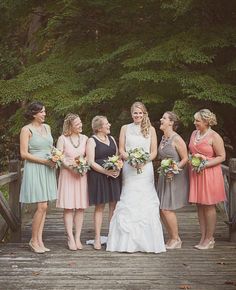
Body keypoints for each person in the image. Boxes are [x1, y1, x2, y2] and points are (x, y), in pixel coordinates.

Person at [106, 102, 166, 253]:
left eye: (140, 113)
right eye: (135, 113)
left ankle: (148, 241)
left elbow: (153, 152)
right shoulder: (125, 128)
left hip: (145, 170)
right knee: (129, 198)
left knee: (146, 199)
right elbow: (121, 149)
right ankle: (125, 241)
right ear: (131, 114)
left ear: (144, 114)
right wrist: (131, 160)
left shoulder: (151, 129)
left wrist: (143, 161)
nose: (137, 116)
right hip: (129, 167)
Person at [19, 101, 57, 253]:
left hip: (48, 169)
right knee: (41, 206)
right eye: (42, 112)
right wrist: (44, 161)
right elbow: (23, 154)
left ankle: (39, 240)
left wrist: (55, 156)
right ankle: (33, 240)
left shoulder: (47, 127)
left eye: (45, 111)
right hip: (35, 168)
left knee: (45, 207)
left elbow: (50, 147)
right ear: (34, 114)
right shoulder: (26, 130)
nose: (44, 114)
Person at [189, 109, 226, 250]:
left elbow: (222, 156)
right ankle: (203, 236)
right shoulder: (194, 134)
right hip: (196, 174)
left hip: (210, 174)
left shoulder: (214, 136)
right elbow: (192, 151)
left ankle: (210, 239)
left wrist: (205, 162)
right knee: (200, 205)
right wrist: (192, 159)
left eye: (197, 121)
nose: (195, 123)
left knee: (209, 205)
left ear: (206, 121)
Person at [86, 116, 121, 250]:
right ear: (99, 128)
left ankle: (112, 236)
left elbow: (117, 157)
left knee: (113, 205)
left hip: (113, 176)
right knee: (100, 207)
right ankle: (97, 238)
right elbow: (91, 162)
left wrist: (117, 168)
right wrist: (105, 172)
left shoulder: (112, 139)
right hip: (99, 176)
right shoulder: (92, 141)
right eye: (107, 124)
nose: (109, 125)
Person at [56, 113, 89, 251]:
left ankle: (77, 237)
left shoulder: (85, 138)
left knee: (80, 207)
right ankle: (70, 237)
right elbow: (58, 156)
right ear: (70, 126)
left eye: (80, 122)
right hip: (67, 175)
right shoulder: (62, 139)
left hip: (81, 175)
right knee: (69, 207)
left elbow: (88, 156)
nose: (80, 125)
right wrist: (70, 167)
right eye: (77, 124)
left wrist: (82, 166)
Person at [157, 111, 189, 249]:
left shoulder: (176, 139)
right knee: (161, 208)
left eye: (164, 118)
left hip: (174, 176)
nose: (161, 119)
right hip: (164, 176)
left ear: (171, 122)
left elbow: (185, 158)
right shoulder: (163, 138)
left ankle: (176, 239)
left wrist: (174, 169)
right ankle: (172, 237)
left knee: (166, 208)